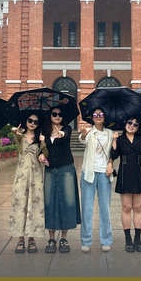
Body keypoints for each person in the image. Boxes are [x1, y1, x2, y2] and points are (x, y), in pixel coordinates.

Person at [42, 107, 81, 253]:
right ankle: (51, 238)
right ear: (50, 116)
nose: (57, 116)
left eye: (60, 114)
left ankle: (64, 238)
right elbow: (42, 149)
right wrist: (41, 154)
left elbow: (66, 135)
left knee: (67, 200)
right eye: (54, 114)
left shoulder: (67, 128)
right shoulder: (43, 132)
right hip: (50, 169)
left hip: (66, 168)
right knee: (49, 201)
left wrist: (61, 134)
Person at [9, 114, 48, 254]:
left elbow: (46, 156)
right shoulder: (20, 136)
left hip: (36, 176)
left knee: (34, 205)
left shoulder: (40, 138)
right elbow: (16, 137)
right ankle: (20, 239)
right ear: (25, 121)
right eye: (30, 120)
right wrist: (14, 132)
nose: (32, 123)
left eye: (36, 121)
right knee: (20, 205)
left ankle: (32, 239)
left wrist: (43, 145)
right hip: (21, 176)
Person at [110, 116, 141, 253]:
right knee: (126, 207)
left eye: (135, 124)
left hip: (138, 174)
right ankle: (128, 238)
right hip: (125, 174)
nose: (132, 125)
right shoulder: (120, 139)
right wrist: (114, 140)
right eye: (129, 122)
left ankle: (137, 239)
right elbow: (114, 155)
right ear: (125, 124)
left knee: (138, 207)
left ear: (139, 127)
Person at [78, 108, 114, 253]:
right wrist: (82, 134)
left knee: (105, 208)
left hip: (105, 174)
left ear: (104, 117)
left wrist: (111, 163)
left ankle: (106, 239)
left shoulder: (110, 133)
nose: (98, 116)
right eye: (95, 115)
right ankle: (86, 240)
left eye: (100, 114)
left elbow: (113, 152)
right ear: (92, 118)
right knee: (87, 208)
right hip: (89, 174)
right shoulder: (89, 132)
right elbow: (82, 141)